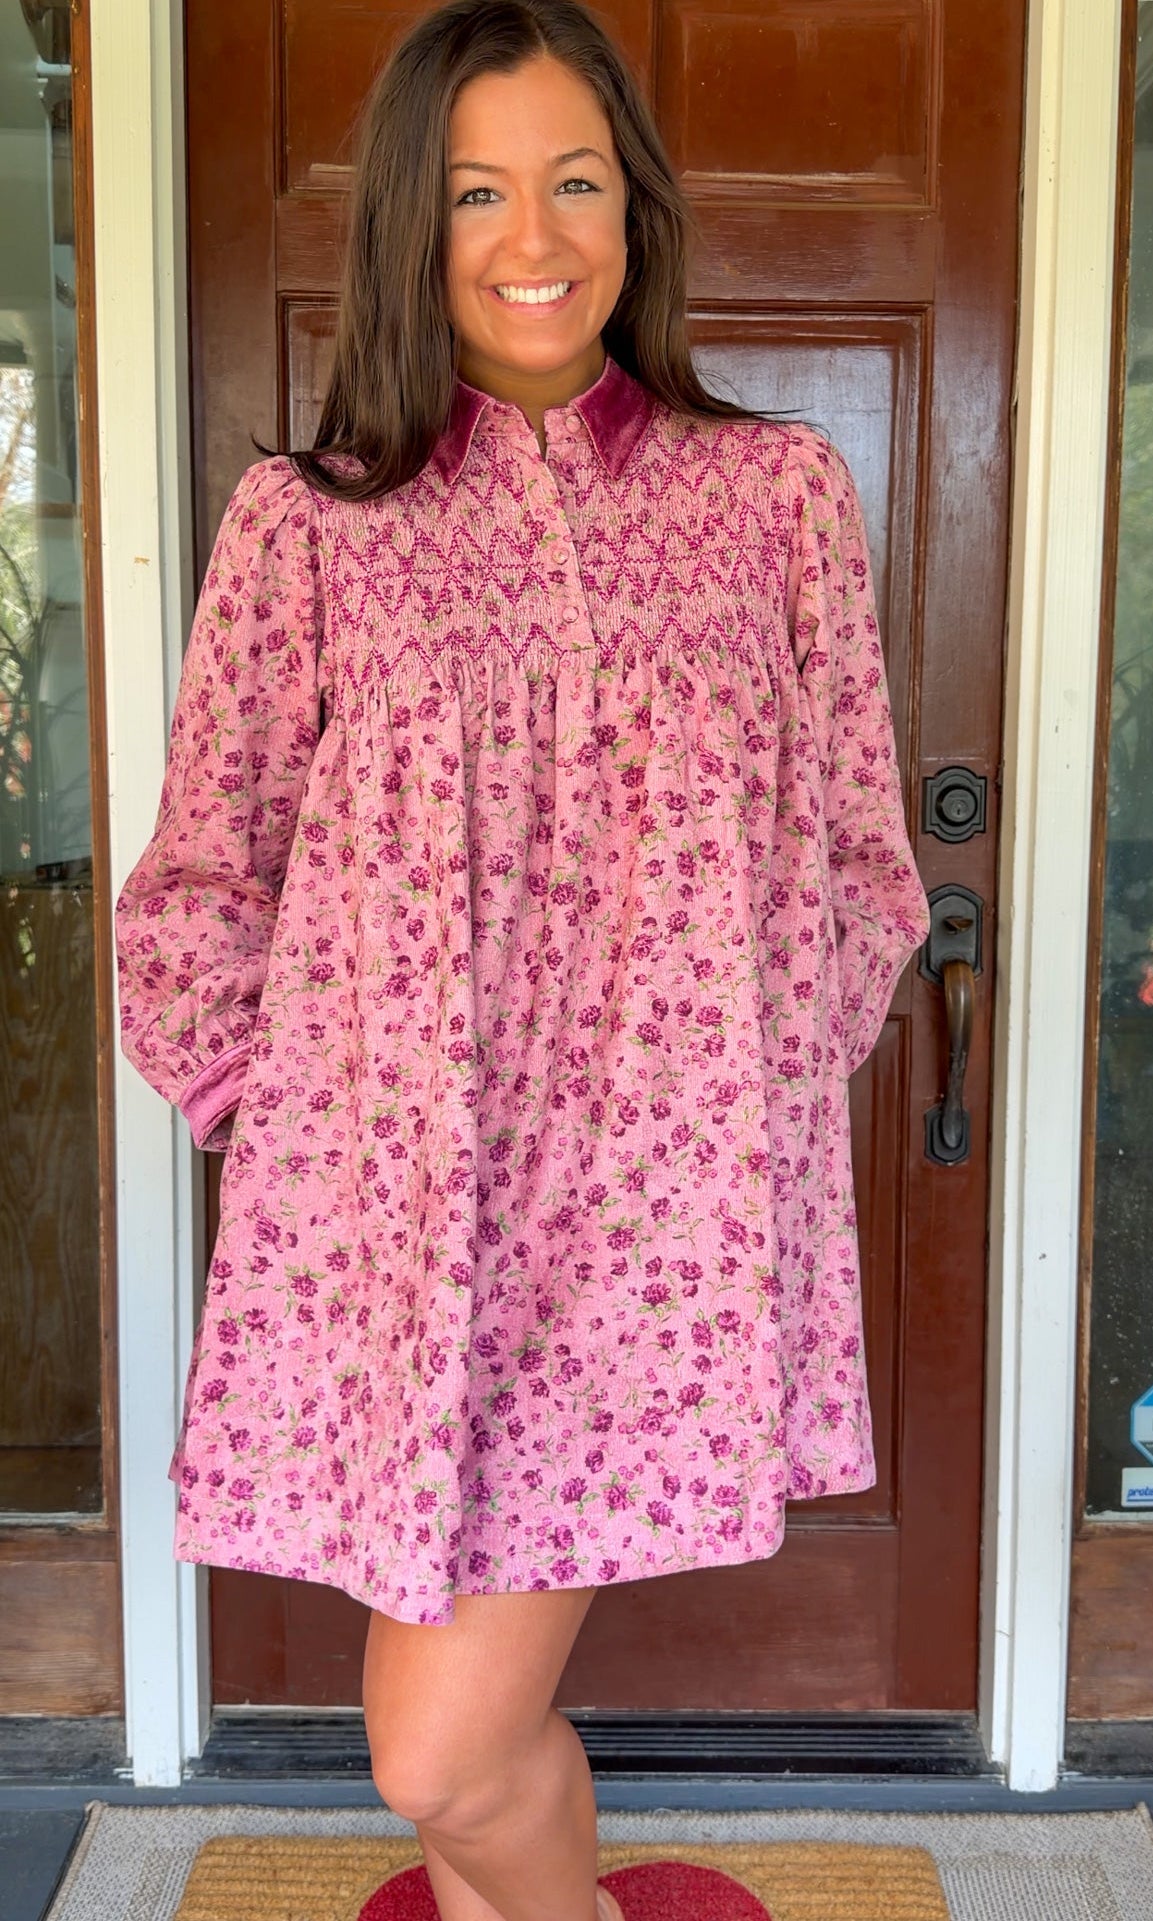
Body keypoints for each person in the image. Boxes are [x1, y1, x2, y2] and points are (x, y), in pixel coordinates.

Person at [114, 0, 932, 1915]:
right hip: (405, 1222)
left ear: (633, 213)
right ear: (413, 225)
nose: (531, 234)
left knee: (439, 1744)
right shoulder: (305, 531)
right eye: (476, 190)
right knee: (451, 1758)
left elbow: (854, 859)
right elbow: (196, 886)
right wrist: (314, 1126)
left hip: (641, 1234)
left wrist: (722, 1106)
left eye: (574, 181)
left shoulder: (775, 500)